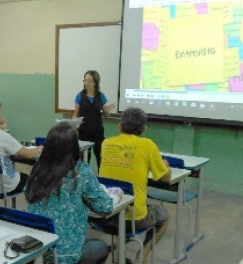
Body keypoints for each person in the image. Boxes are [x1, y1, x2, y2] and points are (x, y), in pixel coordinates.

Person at [25, 122, 115, 264]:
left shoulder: (39, 168)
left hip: (35, 251)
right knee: (101, 247)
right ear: (75, 147)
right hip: (65, 255)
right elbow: (105, 207)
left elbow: (27, 194)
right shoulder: (81, 171)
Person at [97, 107, 171, 264]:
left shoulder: (106, 143)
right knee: (164, 216)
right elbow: (165, 177)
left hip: (105, 214)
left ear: (120, 126)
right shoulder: (147, 145)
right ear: (144, 128)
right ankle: (140, 259)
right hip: (133, 219)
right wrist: (165, 165)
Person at [73, 70, 115, 170]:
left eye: (89, 81)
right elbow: (76, 113)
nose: (86, 83)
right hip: (84, 132)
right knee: (84, 159)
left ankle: (102, 181)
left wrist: (107, 111)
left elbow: (106, 115)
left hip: (98, 132)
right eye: (85, 80)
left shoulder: (101, 96)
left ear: (95, 82)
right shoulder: (80, 96)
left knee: (100, 158)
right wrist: (73, 122)